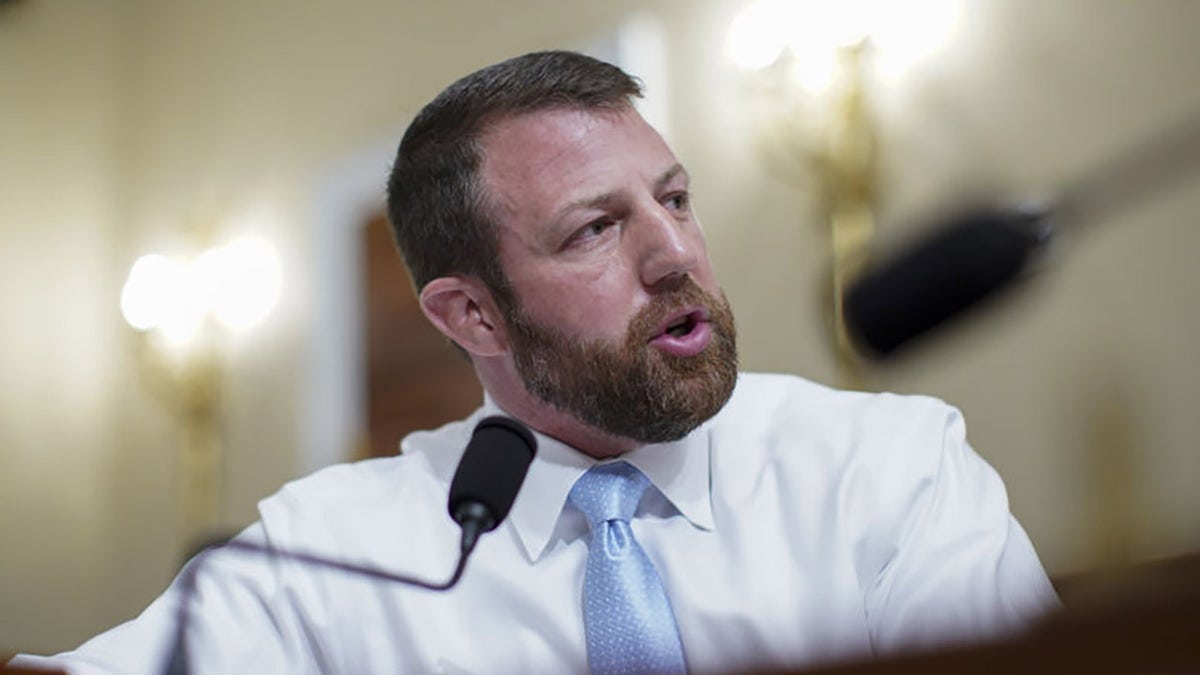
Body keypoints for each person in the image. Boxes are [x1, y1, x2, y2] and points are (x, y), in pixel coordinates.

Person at [11, 50, 1058, 674]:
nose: (675, 255)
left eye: (676, 199)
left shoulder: (890, 471)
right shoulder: (320, 557)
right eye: (596, 230)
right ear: (470, 315)